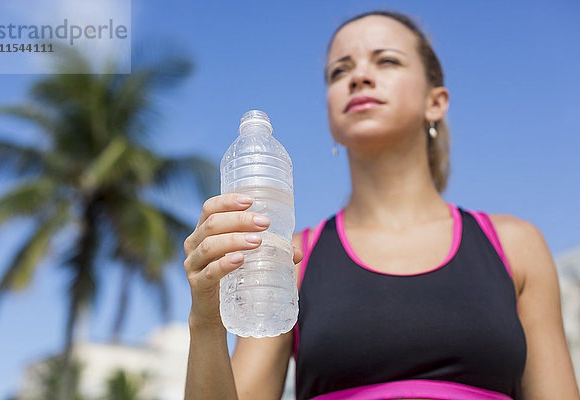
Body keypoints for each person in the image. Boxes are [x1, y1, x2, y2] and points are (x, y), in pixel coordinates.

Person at [182, 10, 579, 400]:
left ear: (436, 102)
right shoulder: (290, 257)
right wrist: (206, 323)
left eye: (386, 60)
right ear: (330, 114)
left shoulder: (515, 246)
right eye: (340, 71)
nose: (359, 77)